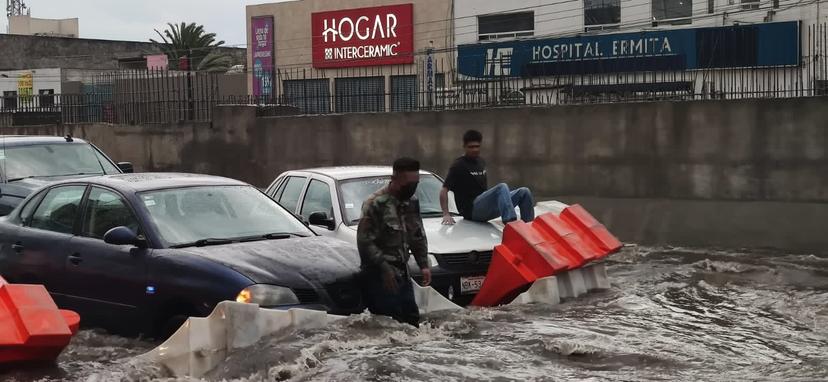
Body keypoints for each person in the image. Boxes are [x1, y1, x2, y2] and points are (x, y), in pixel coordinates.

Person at [357, 157, 431, 327]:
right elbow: (364, 242)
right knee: (389, 323)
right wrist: (384, 268)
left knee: (412, 319)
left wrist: (423, 264)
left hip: (402, 272)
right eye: (409, 183)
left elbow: (417, 233)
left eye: (416, 183)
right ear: (395, 179)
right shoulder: (374, 204)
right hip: (380, 274)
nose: (412, 187)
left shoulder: (411, 202)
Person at [440, 129, 535, 225]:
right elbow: (444, 190)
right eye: (471, 147)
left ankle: (529, 227)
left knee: (524, 192)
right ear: (464, 147)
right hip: (471, 210)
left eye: (477, 146)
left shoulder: (481, 162)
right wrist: (446, 214)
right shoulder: (458, 165)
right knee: (502, 187)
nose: (475, 150)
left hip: (484, 207)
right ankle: (511, 223)